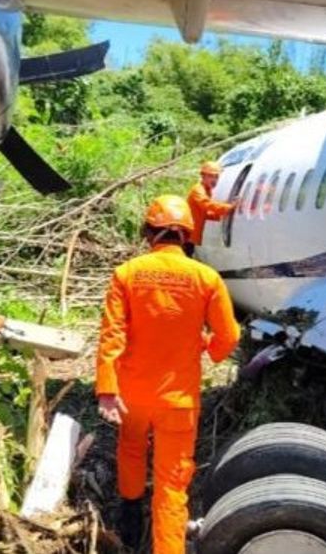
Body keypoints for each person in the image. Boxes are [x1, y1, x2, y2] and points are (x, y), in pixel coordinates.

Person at [95, 195, 242, 554]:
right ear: (188, 236)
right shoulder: (205, 277)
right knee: (172, 484)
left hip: (132, 394)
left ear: (149, 233)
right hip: (179, 399)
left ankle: (130, 516)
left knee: (130, 448)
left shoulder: (127, 273)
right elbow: (230, 336)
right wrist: (209, 349)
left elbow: (112, 335)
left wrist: (107, 390)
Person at [186, 161, 235, 247]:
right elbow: (206, 204)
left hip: (191, 236)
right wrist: (228, 208)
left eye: (216, 177)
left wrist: (219, 216)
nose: (214, 180)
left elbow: (203, 214)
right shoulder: (198, 190)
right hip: (188, 235)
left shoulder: (206, 191)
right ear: (203, 176)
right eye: (210, 176)